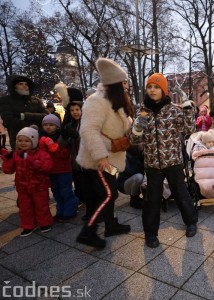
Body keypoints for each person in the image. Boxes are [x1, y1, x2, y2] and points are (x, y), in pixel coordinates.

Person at [129, 73, 198, 249]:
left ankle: (191, 222)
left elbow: (189, 129)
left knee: (181, 194)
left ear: (163, 90)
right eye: (149, 87)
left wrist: (187, 107)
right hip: (152, 164)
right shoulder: (141, 111)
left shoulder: (174, 110)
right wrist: (137, 127)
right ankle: (150, 234)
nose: (152, 90)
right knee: (151, 200)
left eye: (156, 87)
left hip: (173, 161)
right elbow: (134, 140)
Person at [76, 57, 133, 249]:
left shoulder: (113, 101)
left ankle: (110, 224)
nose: (126, 85)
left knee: (110, 192)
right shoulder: (96, 101)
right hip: (100, 160)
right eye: (124, 82)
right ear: (115, 84)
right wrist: (101, 157)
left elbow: (119, 124)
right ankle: (88, 231)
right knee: (108, 194)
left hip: (113, 157)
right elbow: (87, 130)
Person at [0, 127, 53, 236]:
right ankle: (28, 226)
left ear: (34, 141)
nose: (23, 143)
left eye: (26, 140)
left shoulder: (41, 154)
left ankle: (44, 223)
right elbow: (8, 170)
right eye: (20, 141)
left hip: (39, 186)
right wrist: (7, 159)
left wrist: (29, 159)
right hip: (23, 187)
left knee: (41, 205)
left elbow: (46, 167)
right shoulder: (16, 154)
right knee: (25, 207)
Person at [40, 114, 79, 221]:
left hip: (64, 170)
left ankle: (70, 211)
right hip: (51, 171)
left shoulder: (62, 137)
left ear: (57, 126)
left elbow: (65, 154)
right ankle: (60, 211)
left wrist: (51, 146)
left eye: (51, 125)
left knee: (66, 191)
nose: (48, 127)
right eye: (46, 125)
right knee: (56, 192)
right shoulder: (42, 138)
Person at [0, 75, 48, 150]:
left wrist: (24, 116)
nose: (24, 86)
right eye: (20, 84)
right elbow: (9, 120)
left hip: (38, 137)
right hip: (19, 140)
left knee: (39, 160)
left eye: (26, 84)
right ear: (14, 87)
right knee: (21, 160)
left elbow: (47, 116)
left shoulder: (36, 100)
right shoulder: (5, 101)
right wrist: (33, 125)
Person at [117, 145, 145, 209]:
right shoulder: (126, 154)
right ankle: (134, 200)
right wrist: (141, 167)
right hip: (123, 183)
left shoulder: (141, 153)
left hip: (132, 180)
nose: (143, 145)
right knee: (139, 177)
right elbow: (127, 171)